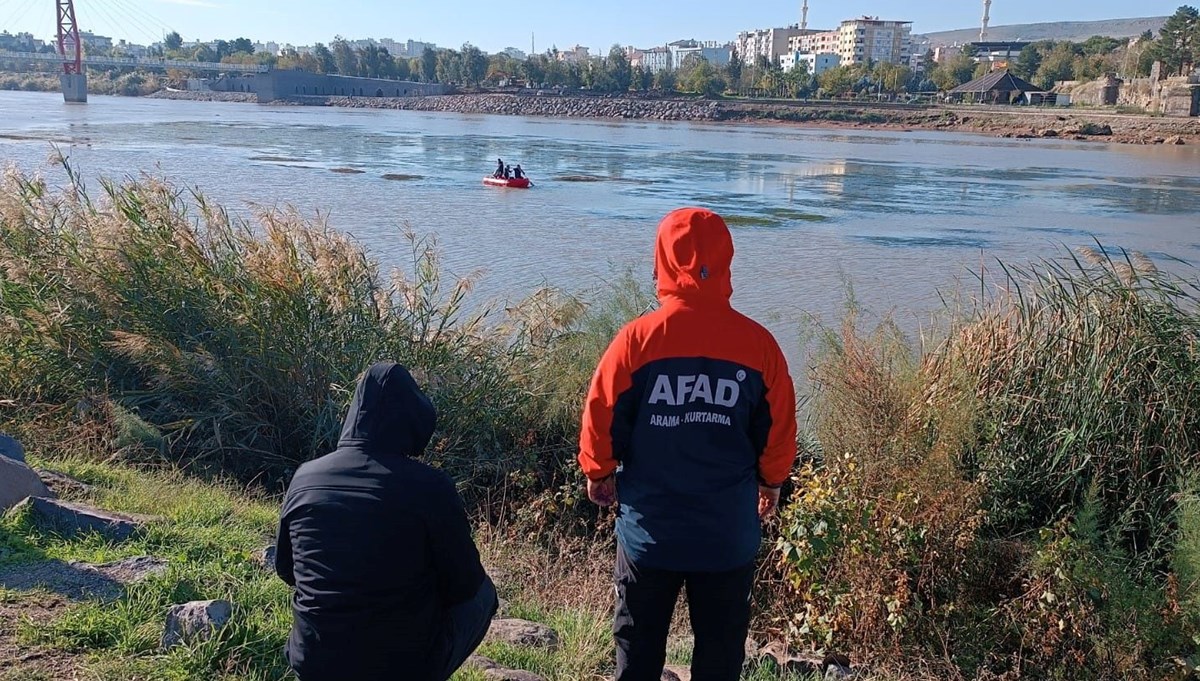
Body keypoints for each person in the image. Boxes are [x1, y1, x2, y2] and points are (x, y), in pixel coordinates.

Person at [579, 208, 798, 681]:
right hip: (726, 537)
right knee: (719, 659)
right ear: (726, 264)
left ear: (660, 263)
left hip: (649, 536)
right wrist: (772, 483)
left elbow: (601, 411)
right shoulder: (760, 346)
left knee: (637, 655)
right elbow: (779, 429)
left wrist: (599, 472)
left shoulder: (635, 341)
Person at [275, 362, 497, 681]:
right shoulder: (430, 485)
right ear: (413, 420)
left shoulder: (305, 477)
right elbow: (465, 586)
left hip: (313, 662)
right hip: (398, 669)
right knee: (484, 593)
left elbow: (287, 568)